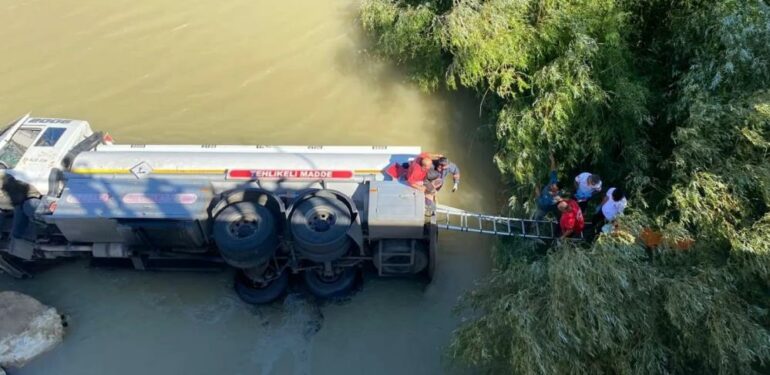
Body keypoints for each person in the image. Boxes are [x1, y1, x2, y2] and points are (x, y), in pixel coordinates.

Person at [533, 155, 561, 220]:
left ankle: (534, 224)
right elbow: (553, 171)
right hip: (549, 203)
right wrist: (552, 160)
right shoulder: (553, 183)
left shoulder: (545, 201)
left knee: (538, 215)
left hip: (546, 207)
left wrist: (535, 185)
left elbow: (538, 195)